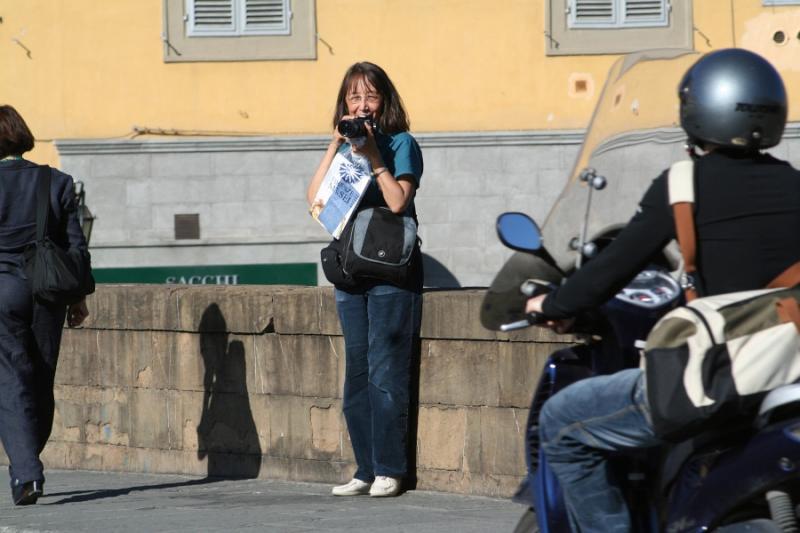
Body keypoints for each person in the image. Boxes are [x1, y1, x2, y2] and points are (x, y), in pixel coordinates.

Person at [525, 49, 800, 532]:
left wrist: (553, 303)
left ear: (697, 111)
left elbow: (611, 266)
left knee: (562, 421)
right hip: (788, 371)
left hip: (723, 377)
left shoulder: (683, 185)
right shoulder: (795, 185)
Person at [306, 62, 423, 498]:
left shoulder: (401, 144)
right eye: (353, 97)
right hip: (351, 270)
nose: (361, 105)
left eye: (369, 96)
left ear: (384, 101)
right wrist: (334, 144)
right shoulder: (343, 151)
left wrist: (374, 157)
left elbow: (397, 202)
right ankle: (365, 467)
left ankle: (391, 468)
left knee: (386, 369)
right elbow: (316, 201)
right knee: (356, 372)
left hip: (392, 270)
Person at [0, 104, 91, 505]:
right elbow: (76, 246)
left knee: (11, 378)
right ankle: (28, 461)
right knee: (41, 378)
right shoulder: (56, 181)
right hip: (48, 293)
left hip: (3, 292)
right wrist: (79, 298)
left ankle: (26, 472)